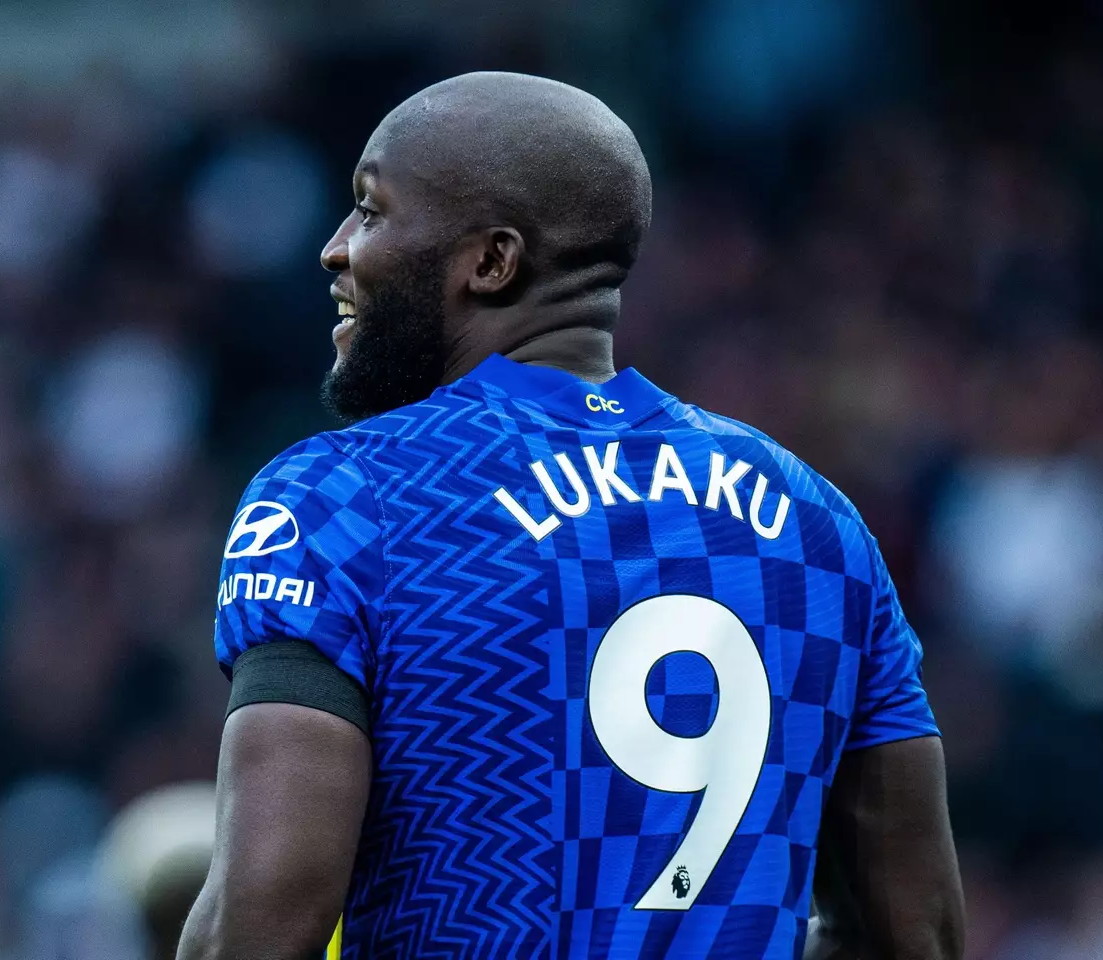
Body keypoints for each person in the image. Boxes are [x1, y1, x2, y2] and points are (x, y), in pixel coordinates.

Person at [177, 71, 965, 960]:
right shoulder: (821, 526)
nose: (334, 248)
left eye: (370, 210)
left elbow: (262, 920)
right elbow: (918, 936)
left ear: (491, 261)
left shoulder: (347, 499)